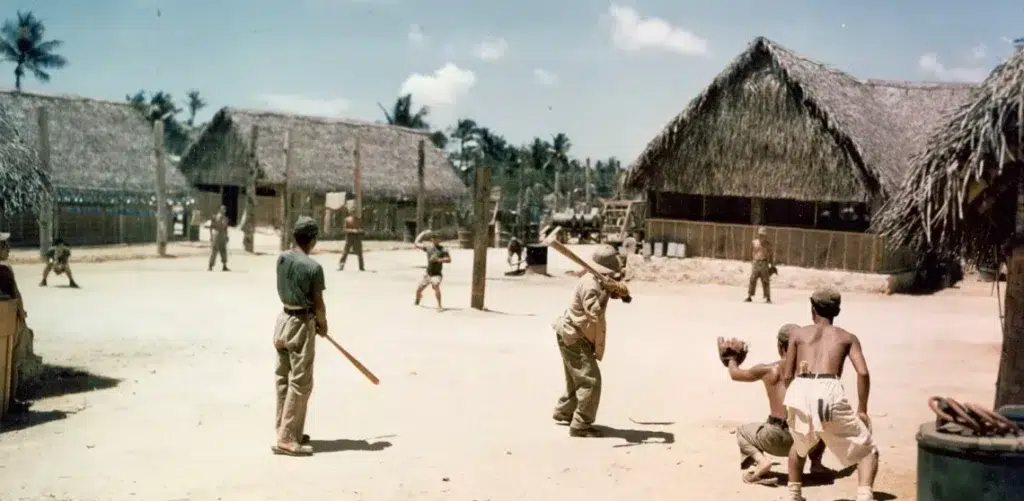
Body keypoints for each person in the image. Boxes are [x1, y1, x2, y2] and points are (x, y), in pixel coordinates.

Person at [781, 287, 879, 501]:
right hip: (828, 388)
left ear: (812, 308)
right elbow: (862, 372)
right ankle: (864, 495)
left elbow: (787, 375)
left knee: (799, 445)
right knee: (867, 448)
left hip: (800, 386)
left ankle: (794, 495)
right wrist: (862, 408)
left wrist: (797, 397)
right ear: (838, 311)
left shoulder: (797, 334)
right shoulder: (847, 337)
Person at [726, 324, 828, 486]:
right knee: (822, 421)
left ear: (780, 346)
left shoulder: (769, 370)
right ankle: (816, 464)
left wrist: (732, 359)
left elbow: (735, 374)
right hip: (804, 441)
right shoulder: (812, 370)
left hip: (773, 437)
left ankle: (761, 462)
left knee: (742, 432)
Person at [551, 245, 629, 437]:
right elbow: (594, 312)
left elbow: (622, 297)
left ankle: (564, 412)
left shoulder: (598, 280)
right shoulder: (589, 284)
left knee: (576, 378)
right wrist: (607, 291)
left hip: (576, 335)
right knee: (590, 381)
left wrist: (618, 291)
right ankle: (580, 425)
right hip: (574, 336)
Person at [272, 216, 327, 457]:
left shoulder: (282, 258)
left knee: (284, 378)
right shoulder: (314, 268)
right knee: (301, 382)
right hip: (301, 324)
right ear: (313, 239)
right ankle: (287, 438)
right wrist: (322, 325)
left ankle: (285, 429)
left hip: (282, 321)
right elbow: (319, 304)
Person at [1, 232, 32, 414]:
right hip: (9, 323)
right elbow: (14, 296)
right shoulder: (4, 269)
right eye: (5, 245)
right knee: (11, 363)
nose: (8, 248)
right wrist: (22, 317)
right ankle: (9, 401)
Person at [413, 230, 450, 310]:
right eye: (435, 238)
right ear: (432, 239)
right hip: (428, 274)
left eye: (438, 239)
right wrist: (422, 233)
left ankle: (439, 305)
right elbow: (416, 243)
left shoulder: (443, 249)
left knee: (436, 285)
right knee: (418, 290)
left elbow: (449, 259)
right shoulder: (428, 247)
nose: (437, 240)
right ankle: (418, 299)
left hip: (437, 274)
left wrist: (438, 260)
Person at [746, 227, 774, 303]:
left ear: (765, 236)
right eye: (760, 234)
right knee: (752, 280)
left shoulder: (768, 244)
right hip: (756, 262)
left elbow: (771, 255)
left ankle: (768, 297)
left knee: (766, 281)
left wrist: (772, 265)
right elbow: (750, 252)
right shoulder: (754, 242)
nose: (762, 236)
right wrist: (752, 261)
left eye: (763, 235)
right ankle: (749, 296)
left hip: (764, 263)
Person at [208, 205, 230, 272]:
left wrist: (226, 236)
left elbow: (226, 228)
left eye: (225, 209)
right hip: (216, 234)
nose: (224, 211)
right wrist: (211, 236)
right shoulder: (215, 217)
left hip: (222, 234)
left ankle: (224, 265)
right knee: (214, 250)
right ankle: (210, 266)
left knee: (223, 250)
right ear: (220, 210)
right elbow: (211, 227)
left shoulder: (226, 218)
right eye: (223, 209)